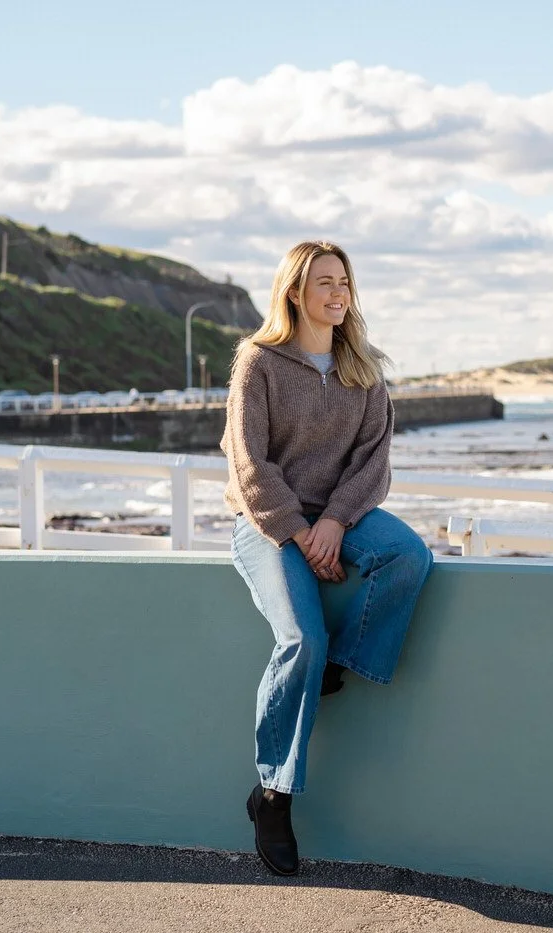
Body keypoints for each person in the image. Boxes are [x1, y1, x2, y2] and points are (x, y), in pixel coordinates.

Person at [222, 240, 433, 876]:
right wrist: (295, 529)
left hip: (339, 517)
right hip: (266, 524)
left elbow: (374, 461)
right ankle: (274, 795)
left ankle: (337, 664)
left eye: (344, 282)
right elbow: (247, 460)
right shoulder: (258, 362)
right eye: (325, 284)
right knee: (300, 641)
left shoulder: (363, 369)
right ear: (295, 292)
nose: (339, 294)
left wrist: (336, 522)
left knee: (407, 555)